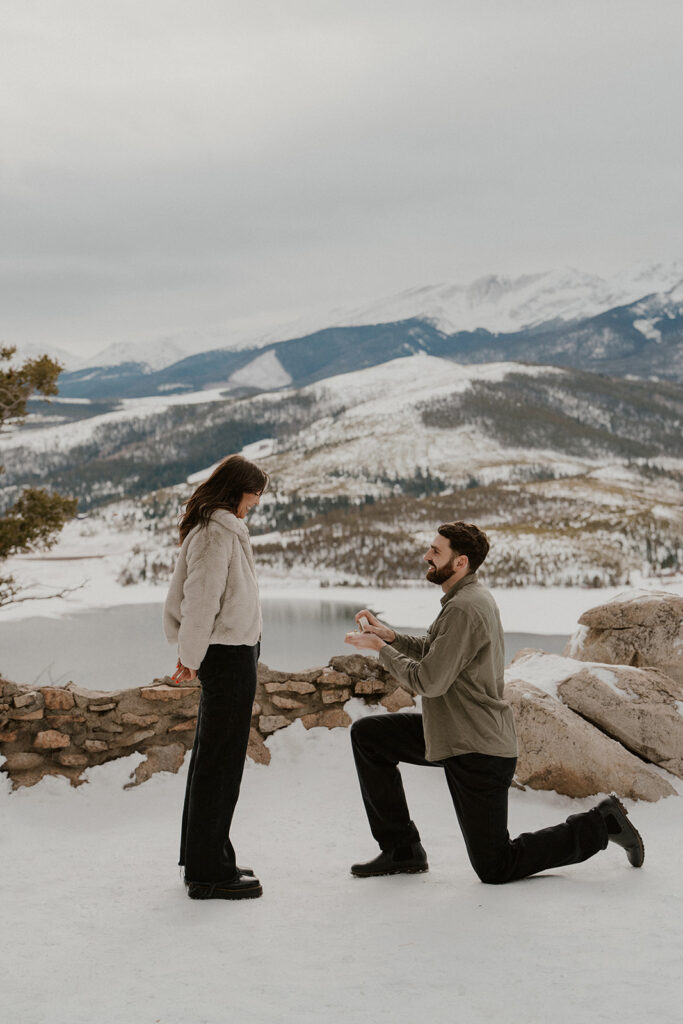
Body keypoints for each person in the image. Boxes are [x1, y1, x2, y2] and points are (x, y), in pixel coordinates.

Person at [344, 520, 644, 884]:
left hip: (477, 749)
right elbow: (435, 651)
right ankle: (401, 849)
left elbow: (430, 680)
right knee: (370, 736)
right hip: (452, 733)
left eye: (436, 551)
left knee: (496, 865)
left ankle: (600, 824)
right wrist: (391, 636)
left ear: (461, 562)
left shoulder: (466, 607)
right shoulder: (464, 599)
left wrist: (381, 650)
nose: (427, 555)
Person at [163, 454, 269, 900]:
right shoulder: (215, 532)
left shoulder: (222, 527)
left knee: (215, 757)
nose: (256, 504)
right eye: (254, 495)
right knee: (219, 763)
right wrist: (190, 655)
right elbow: (200, 600)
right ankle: (209, 872)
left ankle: (206, 857)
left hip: (231, 651)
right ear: (236, 490)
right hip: (225, 655)